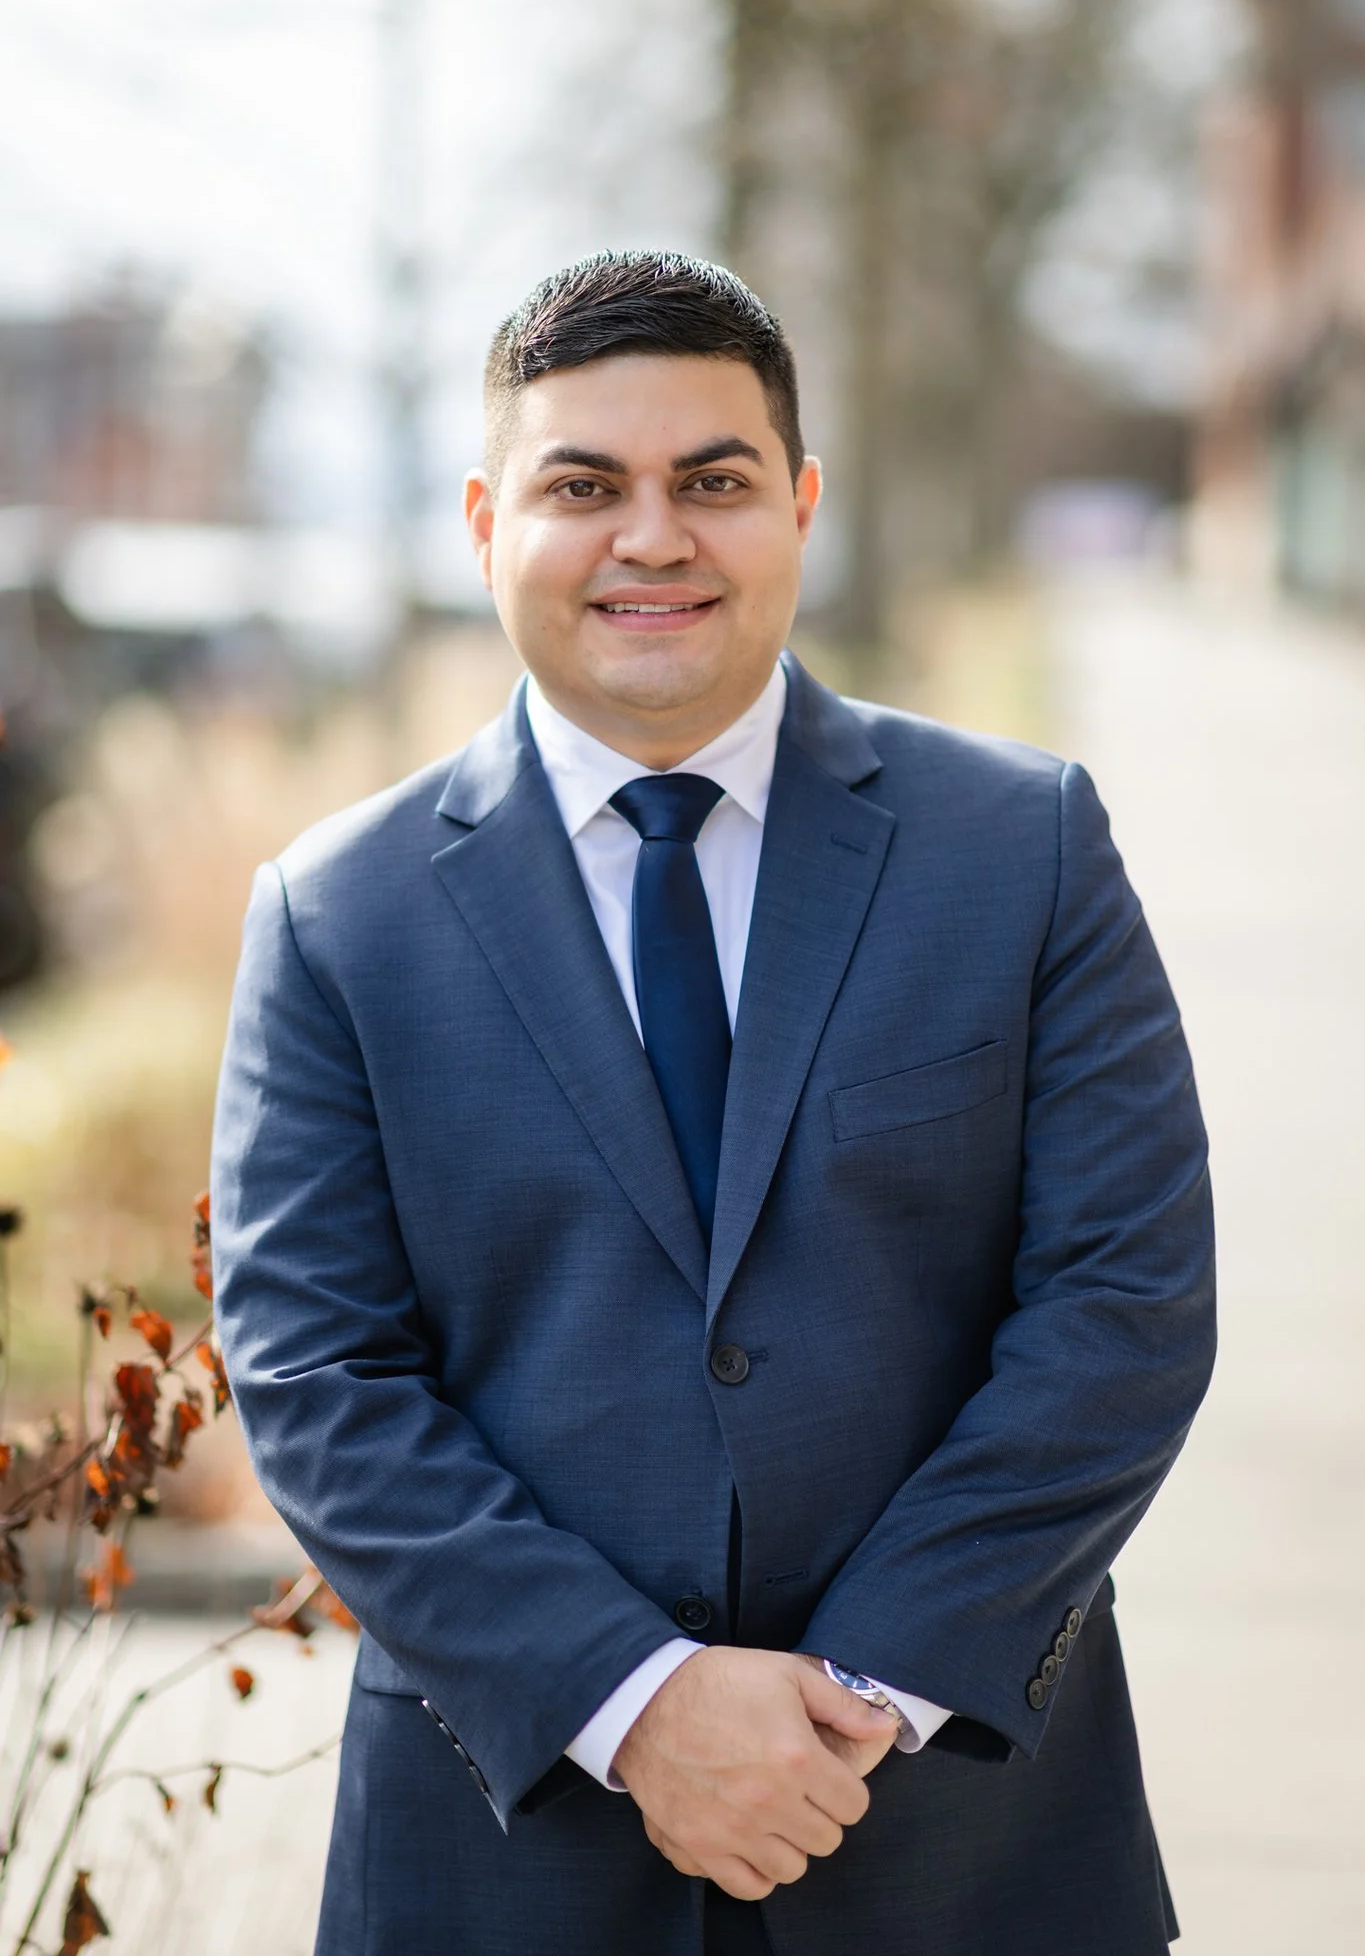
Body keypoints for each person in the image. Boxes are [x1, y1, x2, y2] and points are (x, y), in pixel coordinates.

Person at [211, 250, 1215, 1956]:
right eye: (583, 485)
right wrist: (637, 1701)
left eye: (715, 481)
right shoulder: (336, 914)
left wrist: (852, 1695)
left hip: (960, 1844)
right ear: (480, 519)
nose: (653, 538)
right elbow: (317, 1374)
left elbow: (1122, 1308)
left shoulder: (1024, 848)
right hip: (505, 1855)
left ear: (803, 505)